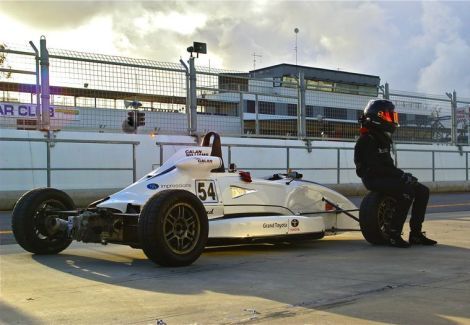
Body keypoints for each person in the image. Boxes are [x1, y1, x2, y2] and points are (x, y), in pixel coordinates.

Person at [354, 99, 437, 248]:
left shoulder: (381, 137)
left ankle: (416, 234)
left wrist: (402, 175)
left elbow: (387, 166)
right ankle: (394, 234)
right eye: (388, 116)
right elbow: (375, 168)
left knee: (423, 191)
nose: (392, 120)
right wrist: (401, 176)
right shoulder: (367, 139)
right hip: (374, 179)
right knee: (407, 191)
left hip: (387, 177)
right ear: (377, 117)